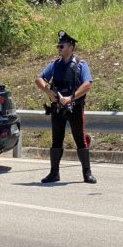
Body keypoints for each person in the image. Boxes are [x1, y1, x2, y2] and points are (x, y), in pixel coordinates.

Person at [35, 30, 96, 184]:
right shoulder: (54, 64)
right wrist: (48, 91)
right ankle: (54, 173)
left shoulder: (81, 65)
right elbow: (39, 79)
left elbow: (87, 84)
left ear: (71, 47)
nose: (59, 49)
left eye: (62, 46)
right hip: (57, 109)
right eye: (58, 46)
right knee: (56, 140)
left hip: (74, 107)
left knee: (80, 140)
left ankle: (87, 174)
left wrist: (70, 98)